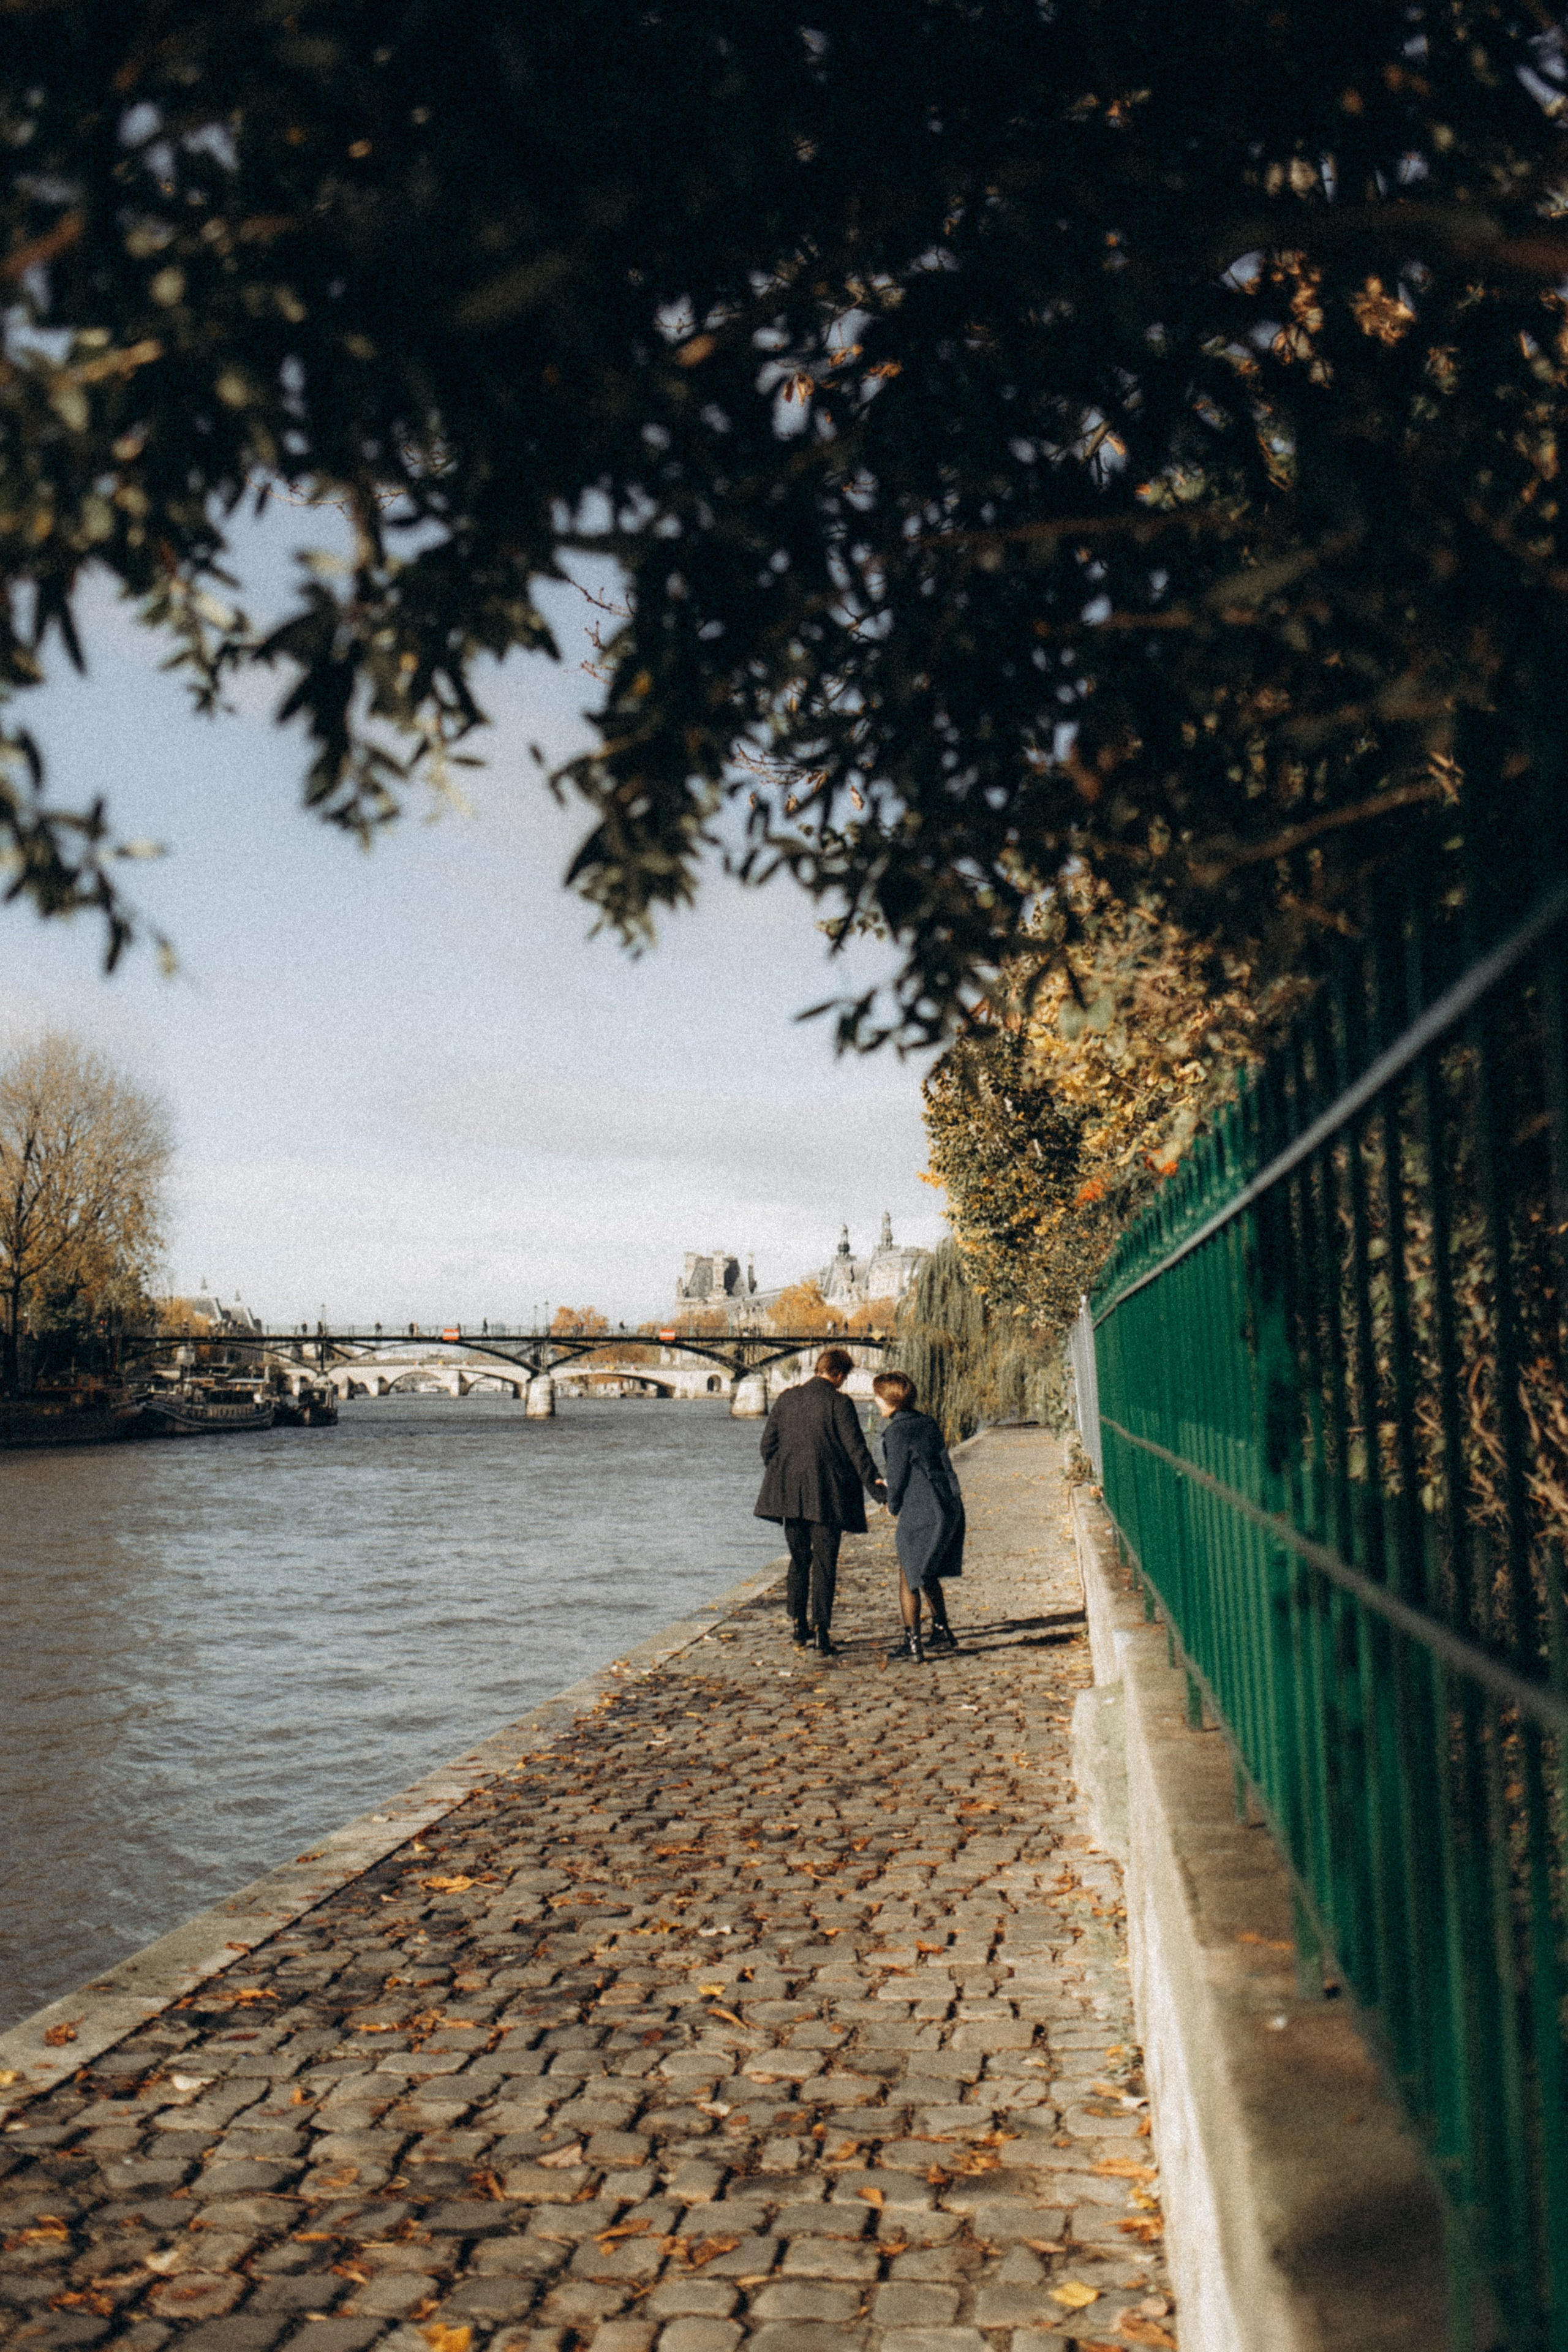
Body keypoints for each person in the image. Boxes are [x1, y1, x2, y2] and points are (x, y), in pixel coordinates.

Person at [755, 1346, 887, 1655]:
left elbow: (766, 1446)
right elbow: (857, 1451)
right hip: (828, 1495)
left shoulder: (787, 1399)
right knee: (825, 1564)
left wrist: (786, 1472)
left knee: (799, 1560)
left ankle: (798, 1624)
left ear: (818, 1368)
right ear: (839, 1375)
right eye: (844, 1378)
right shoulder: (839, 1403)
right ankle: (822, 1633)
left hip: (790, 1496)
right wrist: (878, 1490)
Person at [873, 1370, 963, 1662]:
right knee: (926, 1569)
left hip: (921, 1507)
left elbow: (898, 1476)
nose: (875, 1402)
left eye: (878, 1397)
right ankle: (942, 1630)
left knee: (908, 1574)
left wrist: (892, 1503)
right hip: (947, 1503)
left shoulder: (896, 1431)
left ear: (890, 1401)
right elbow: (937, 1463)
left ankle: (913, 1644)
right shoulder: (927, 1422)